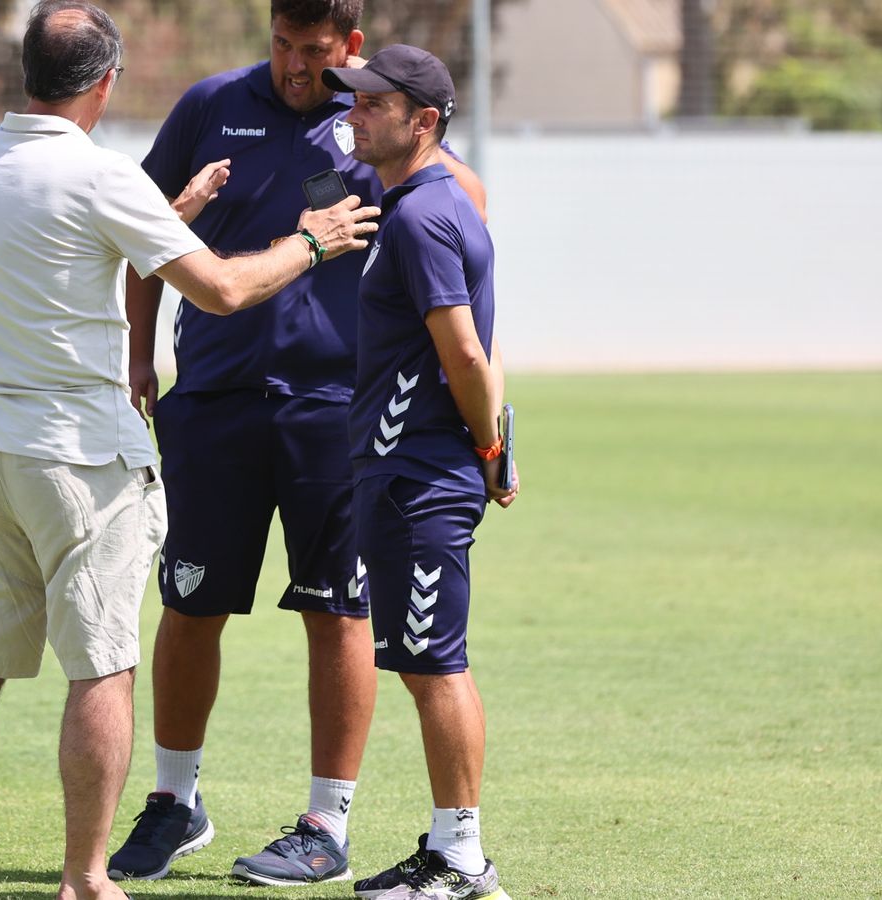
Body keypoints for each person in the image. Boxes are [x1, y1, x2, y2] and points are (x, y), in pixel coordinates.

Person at [0, 4, 381, 900]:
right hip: (78, 459)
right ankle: (87, 877)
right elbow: (228, 286)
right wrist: (313, 241)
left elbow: (78, 243)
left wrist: (178, 211)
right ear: (107, 80)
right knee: (103, 668)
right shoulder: (103, 176)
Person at [108, 0, 485, 887]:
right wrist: (139, 357)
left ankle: (327, 820)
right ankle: (174, 801)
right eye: (281, 45)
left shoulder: (373, 127)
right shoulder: (210, 105)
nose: (293, 65)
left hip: (338, 412)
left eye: (313, 51)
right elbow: (146, 232)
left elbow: (458, 200)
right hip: (211, 399)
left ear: (349, 48)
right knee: (191, 603)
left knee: (336, 609)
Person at [322, 46, 517, 900]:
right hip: (407, 474)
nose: (354, 115)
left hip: (421, 477)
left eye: (373, 104)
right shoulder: (425, 201)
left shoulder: (420, 217)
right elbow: (484, 347)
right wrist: (499, 439)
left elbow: (467, 351)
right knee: (421, 660)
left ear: (424, 122)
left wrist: (482, 445)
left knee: (436, 663)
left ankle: (463, 861)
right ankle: (451, 848)